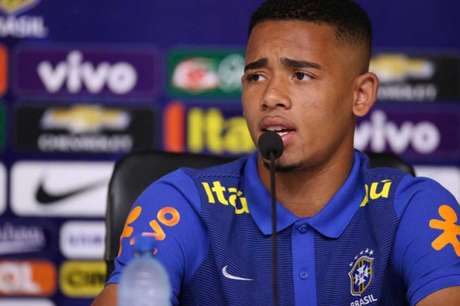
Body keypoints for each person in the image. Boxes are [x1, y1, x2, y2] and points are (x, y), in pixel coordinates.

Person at [92, 0, 460, 305]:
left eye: (300, 75)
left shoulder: (413, 208)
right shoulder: (180, 204)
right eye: (256, 77)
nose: (270, 97)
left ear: (360, 95)